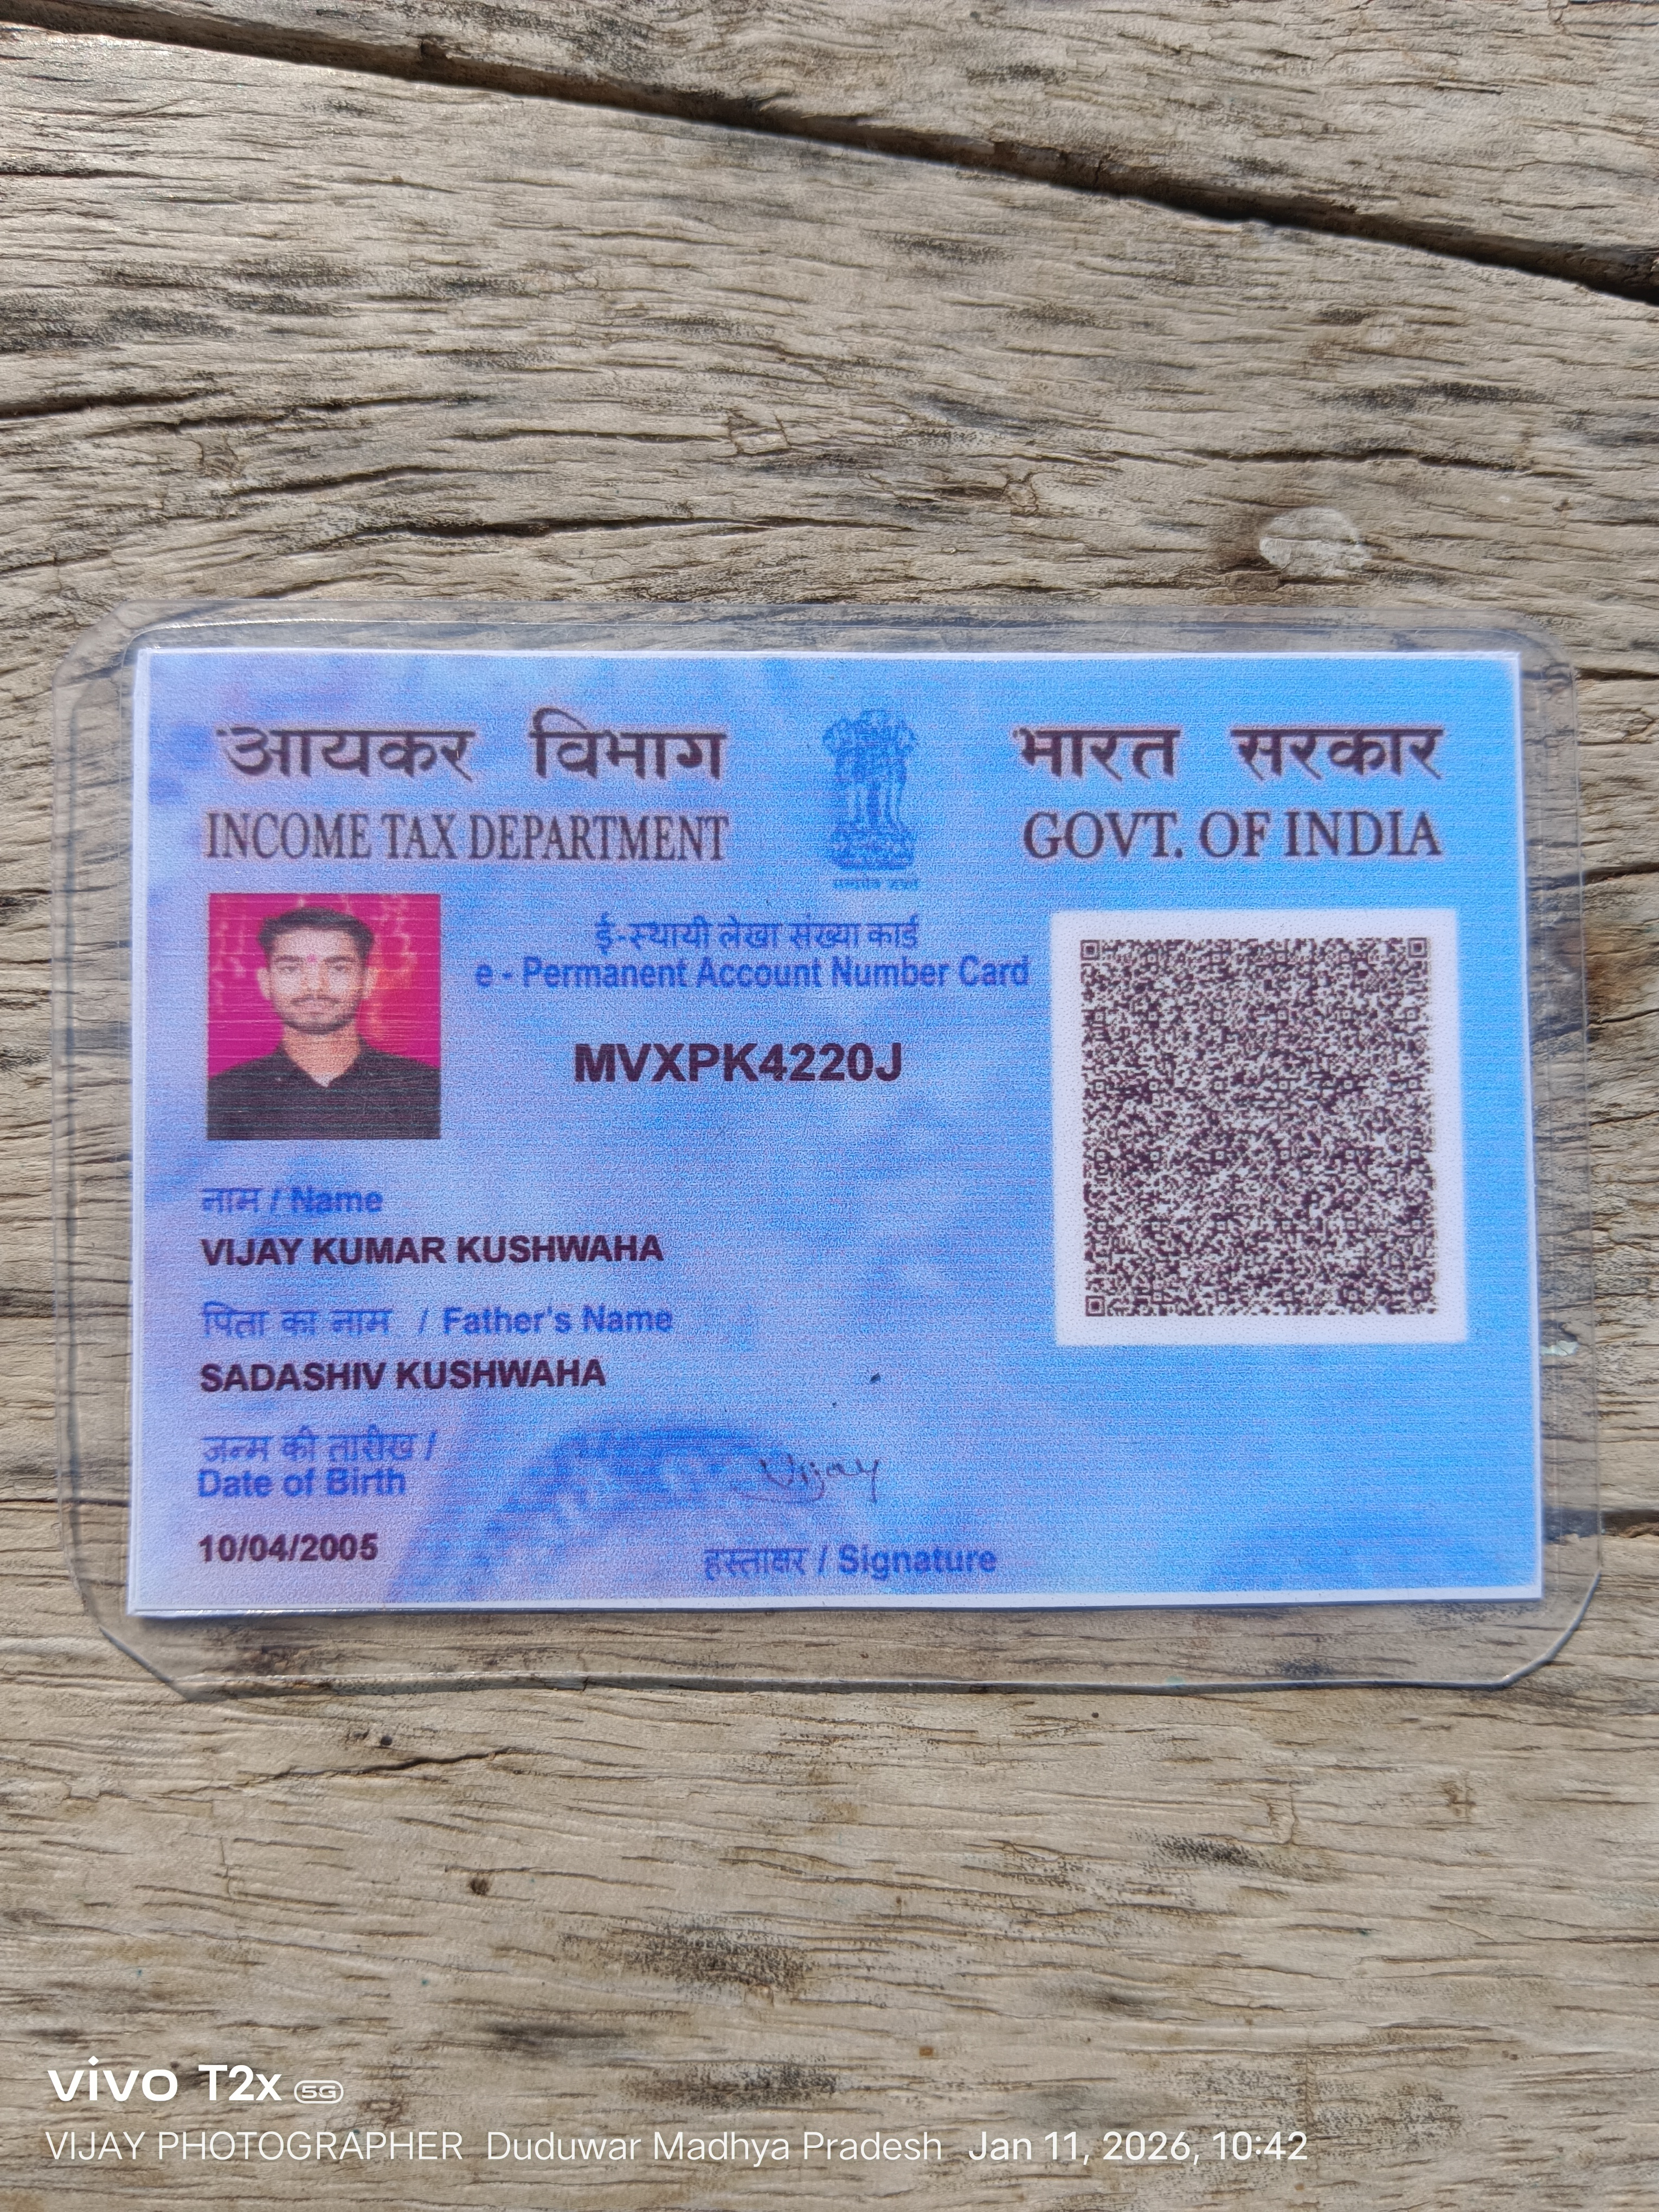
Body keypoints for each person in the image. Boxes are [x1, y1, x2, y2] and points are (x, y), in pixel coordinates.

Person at [208, 906, 441, 1140]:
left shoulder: (427, 1091)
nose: (315, 986)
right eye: (291, 969)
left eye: (339, 968)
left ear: (368, 982)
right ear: (266, 982)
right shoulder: (221, 1100)